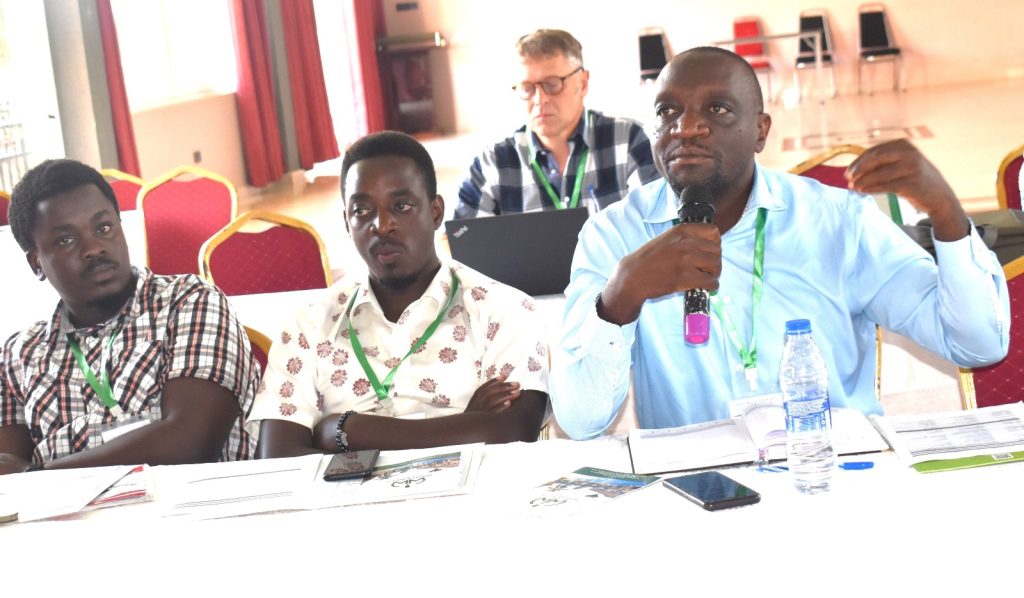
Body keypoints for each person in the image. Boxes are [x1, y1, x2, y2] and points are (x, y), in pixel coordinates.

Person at [550, 47, 1010, 439]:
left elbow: (976, 343)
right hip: (702, 493)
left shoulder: (838, 221)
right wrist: (619, 299)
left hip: (835, 473)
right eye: (667, 111)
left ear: (761, 131)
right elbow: (580, 421)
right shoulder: (613, 237)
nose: (686, 127)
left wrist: (947, 214)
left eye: (718, 109)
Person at [248, 131, 548, 457]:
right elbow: (278, 456)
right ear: (347, 224)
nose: (382, 224)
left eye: (402, 206)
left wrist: (342, 430)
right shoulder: (310, 324)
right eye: (361, 211)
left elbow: (514, 432)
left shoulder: (502, 310)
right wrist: (468, 424)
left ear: (435, 212)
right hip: (346, 507)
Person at [0, 159, 259, 474]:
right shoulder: (18, 355)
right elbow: (8, 476)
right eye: (66, 240)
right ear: (36, 263)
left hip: (191, 516)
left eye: (104, 227)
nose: (93, 248)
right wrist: (29, 478)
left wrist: (41, 475)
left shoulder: (188, 302)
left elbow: (191, 442)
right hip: (65, 523)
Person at [454, 29, 660, 218]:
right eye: (527, 88)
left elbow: (658, 225)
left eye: (552, 84)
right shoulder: (492, 164)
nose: (539, 99)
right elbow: (458, 240)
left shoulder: (628, 141)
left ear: (583, 83)